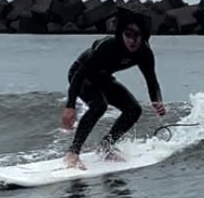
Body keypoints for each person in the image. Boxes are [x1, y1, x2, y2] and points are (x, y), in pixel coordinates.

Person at [60, 10, 166, 168]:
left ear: (143, 36)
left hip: (102, 78)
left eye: (137, 35)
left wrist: (157, 101)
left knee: (134, 109)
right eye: (128, 35)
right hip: (81, 75)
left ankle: (105, 147)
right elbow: (80, 74)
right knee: (99, 106)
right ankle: (73, 153)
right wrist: (70, 106)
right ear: (121, 33)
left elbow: (152, 81)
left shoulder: (144, 53)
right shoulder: (108, 46)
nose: (132, 40)